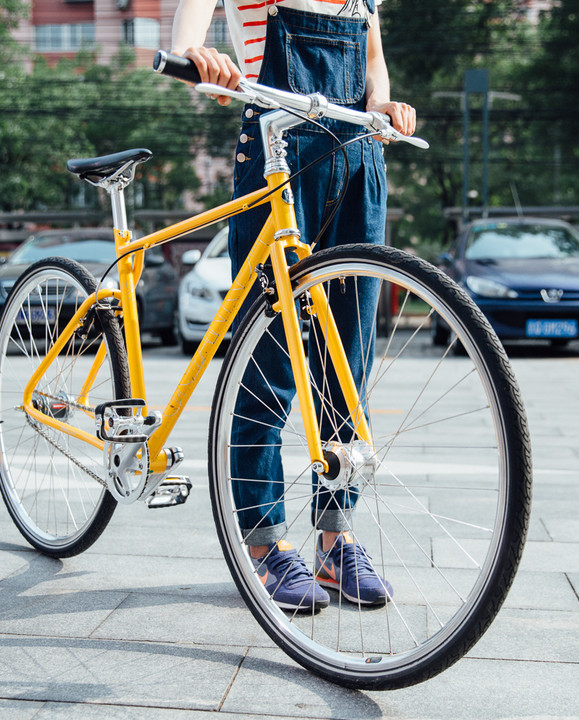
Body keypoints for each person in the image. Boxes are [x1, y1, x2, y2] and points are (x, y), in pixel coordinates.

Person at [171, 0, 416, 612]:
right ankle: (262, 545)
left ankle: (337, 540)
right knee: (272, 360)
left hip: (360, 159)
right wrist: (200, 57)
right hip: (280, 159)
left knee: (347, 363)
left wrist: (383, 105)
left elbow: (375, 62)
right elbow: (193, 15)